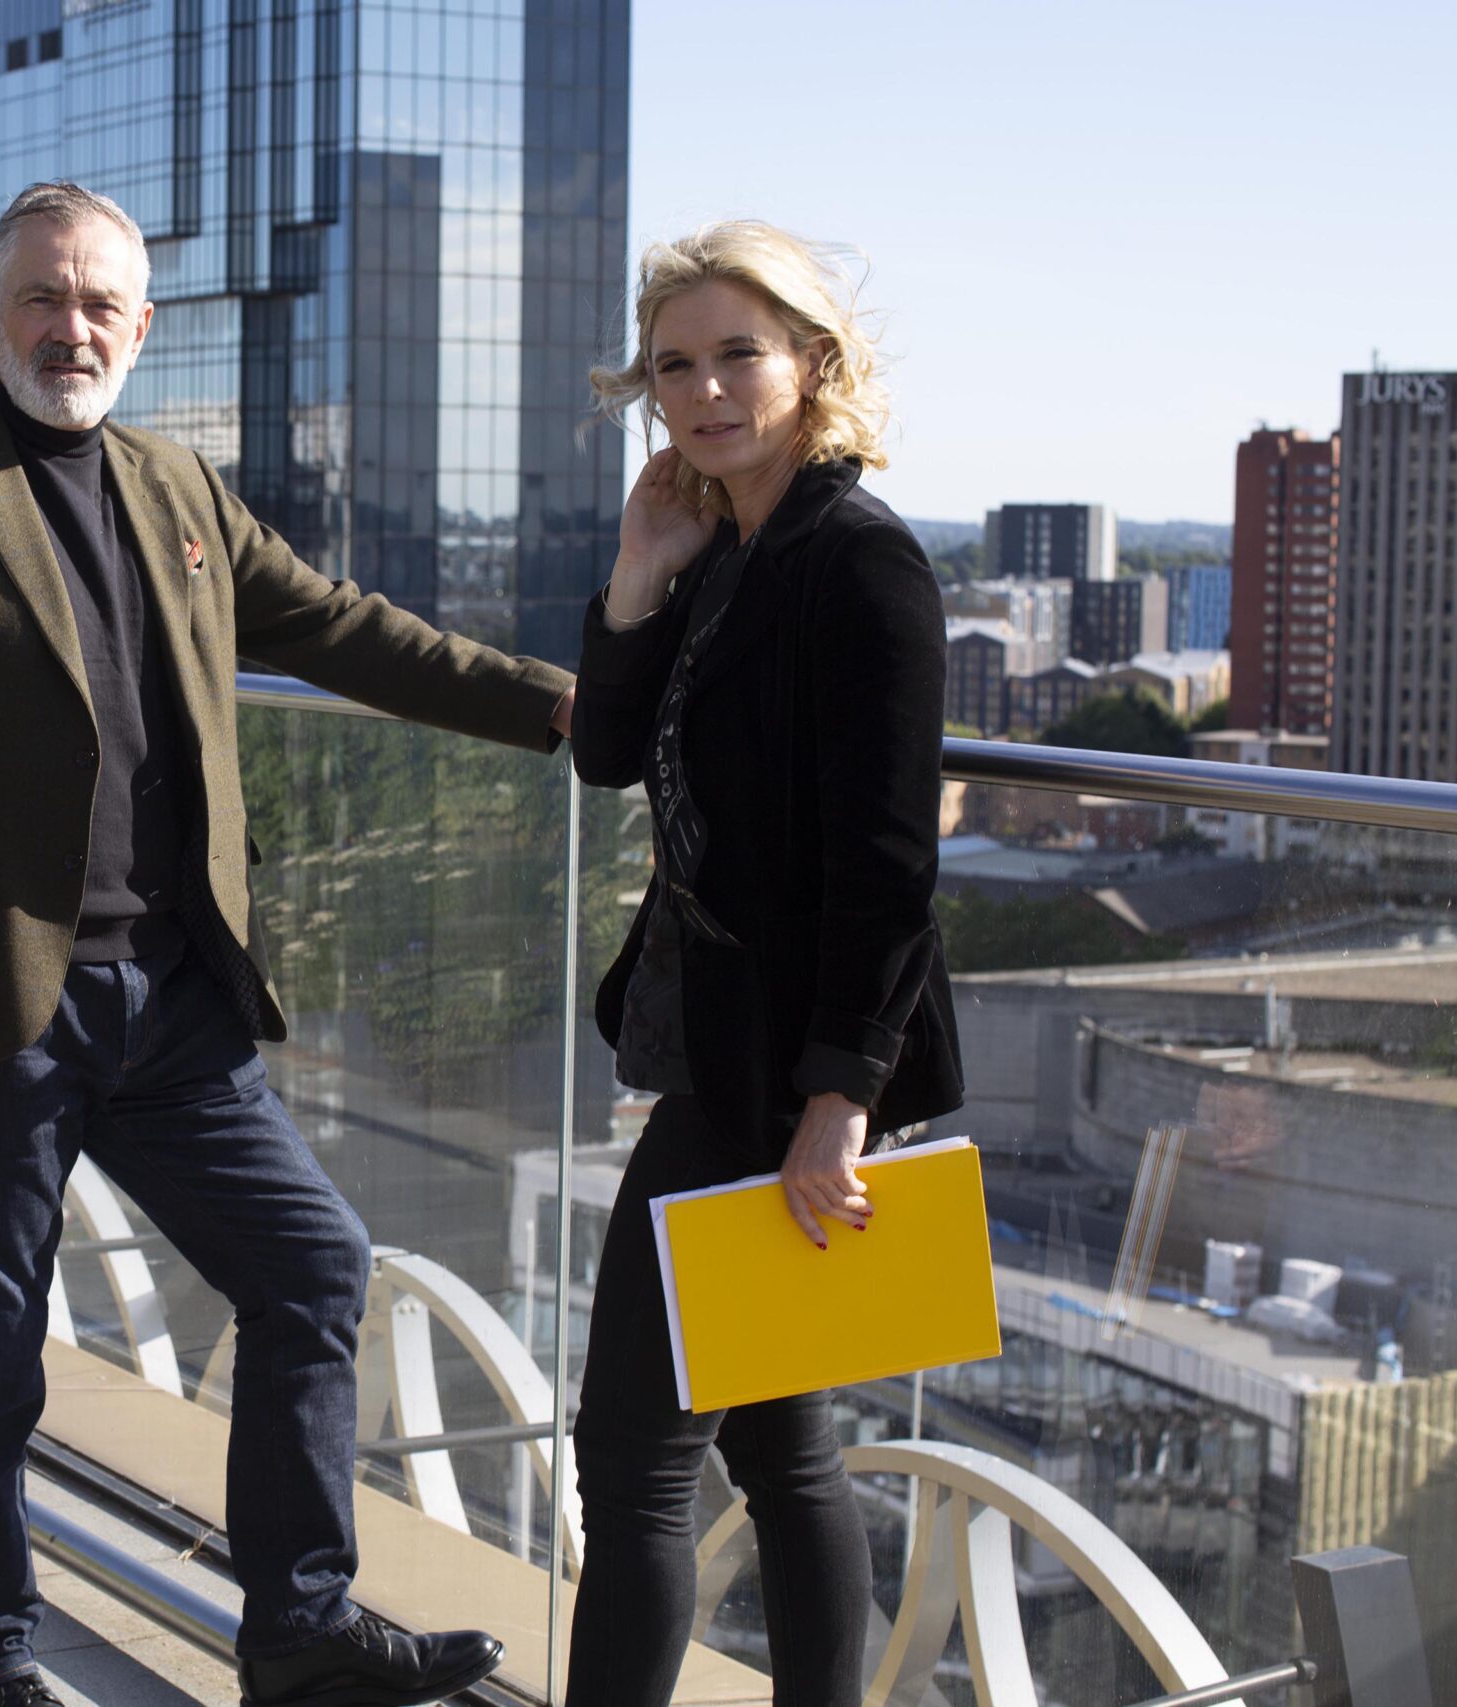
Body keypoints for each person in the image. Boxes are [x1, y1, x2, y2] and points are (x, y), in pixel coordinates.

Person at [0, 180, 576, 1707]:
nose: (68, 327)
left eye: (99, 304)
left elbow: (347, 628)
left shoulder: (178, 491)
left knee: (312, 1268)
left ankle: (296, 1627)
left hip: (172, 1000)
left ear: (142, 328)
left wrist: (554, 705)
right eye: (42, 297)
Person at [563, 221, 966, 1707]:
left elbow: (888, 871)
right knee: (783, 1447)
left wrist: (834, 1105)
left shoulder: (859, 567)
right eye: (676, 364)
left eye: (740, 352)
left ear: (815, 362)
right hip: (727, 1045)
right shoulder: (725, 551)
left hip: (778, 1078)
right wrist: (637, 570)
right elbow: (609, 754)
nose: (708, 390)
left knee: (633, 1457)